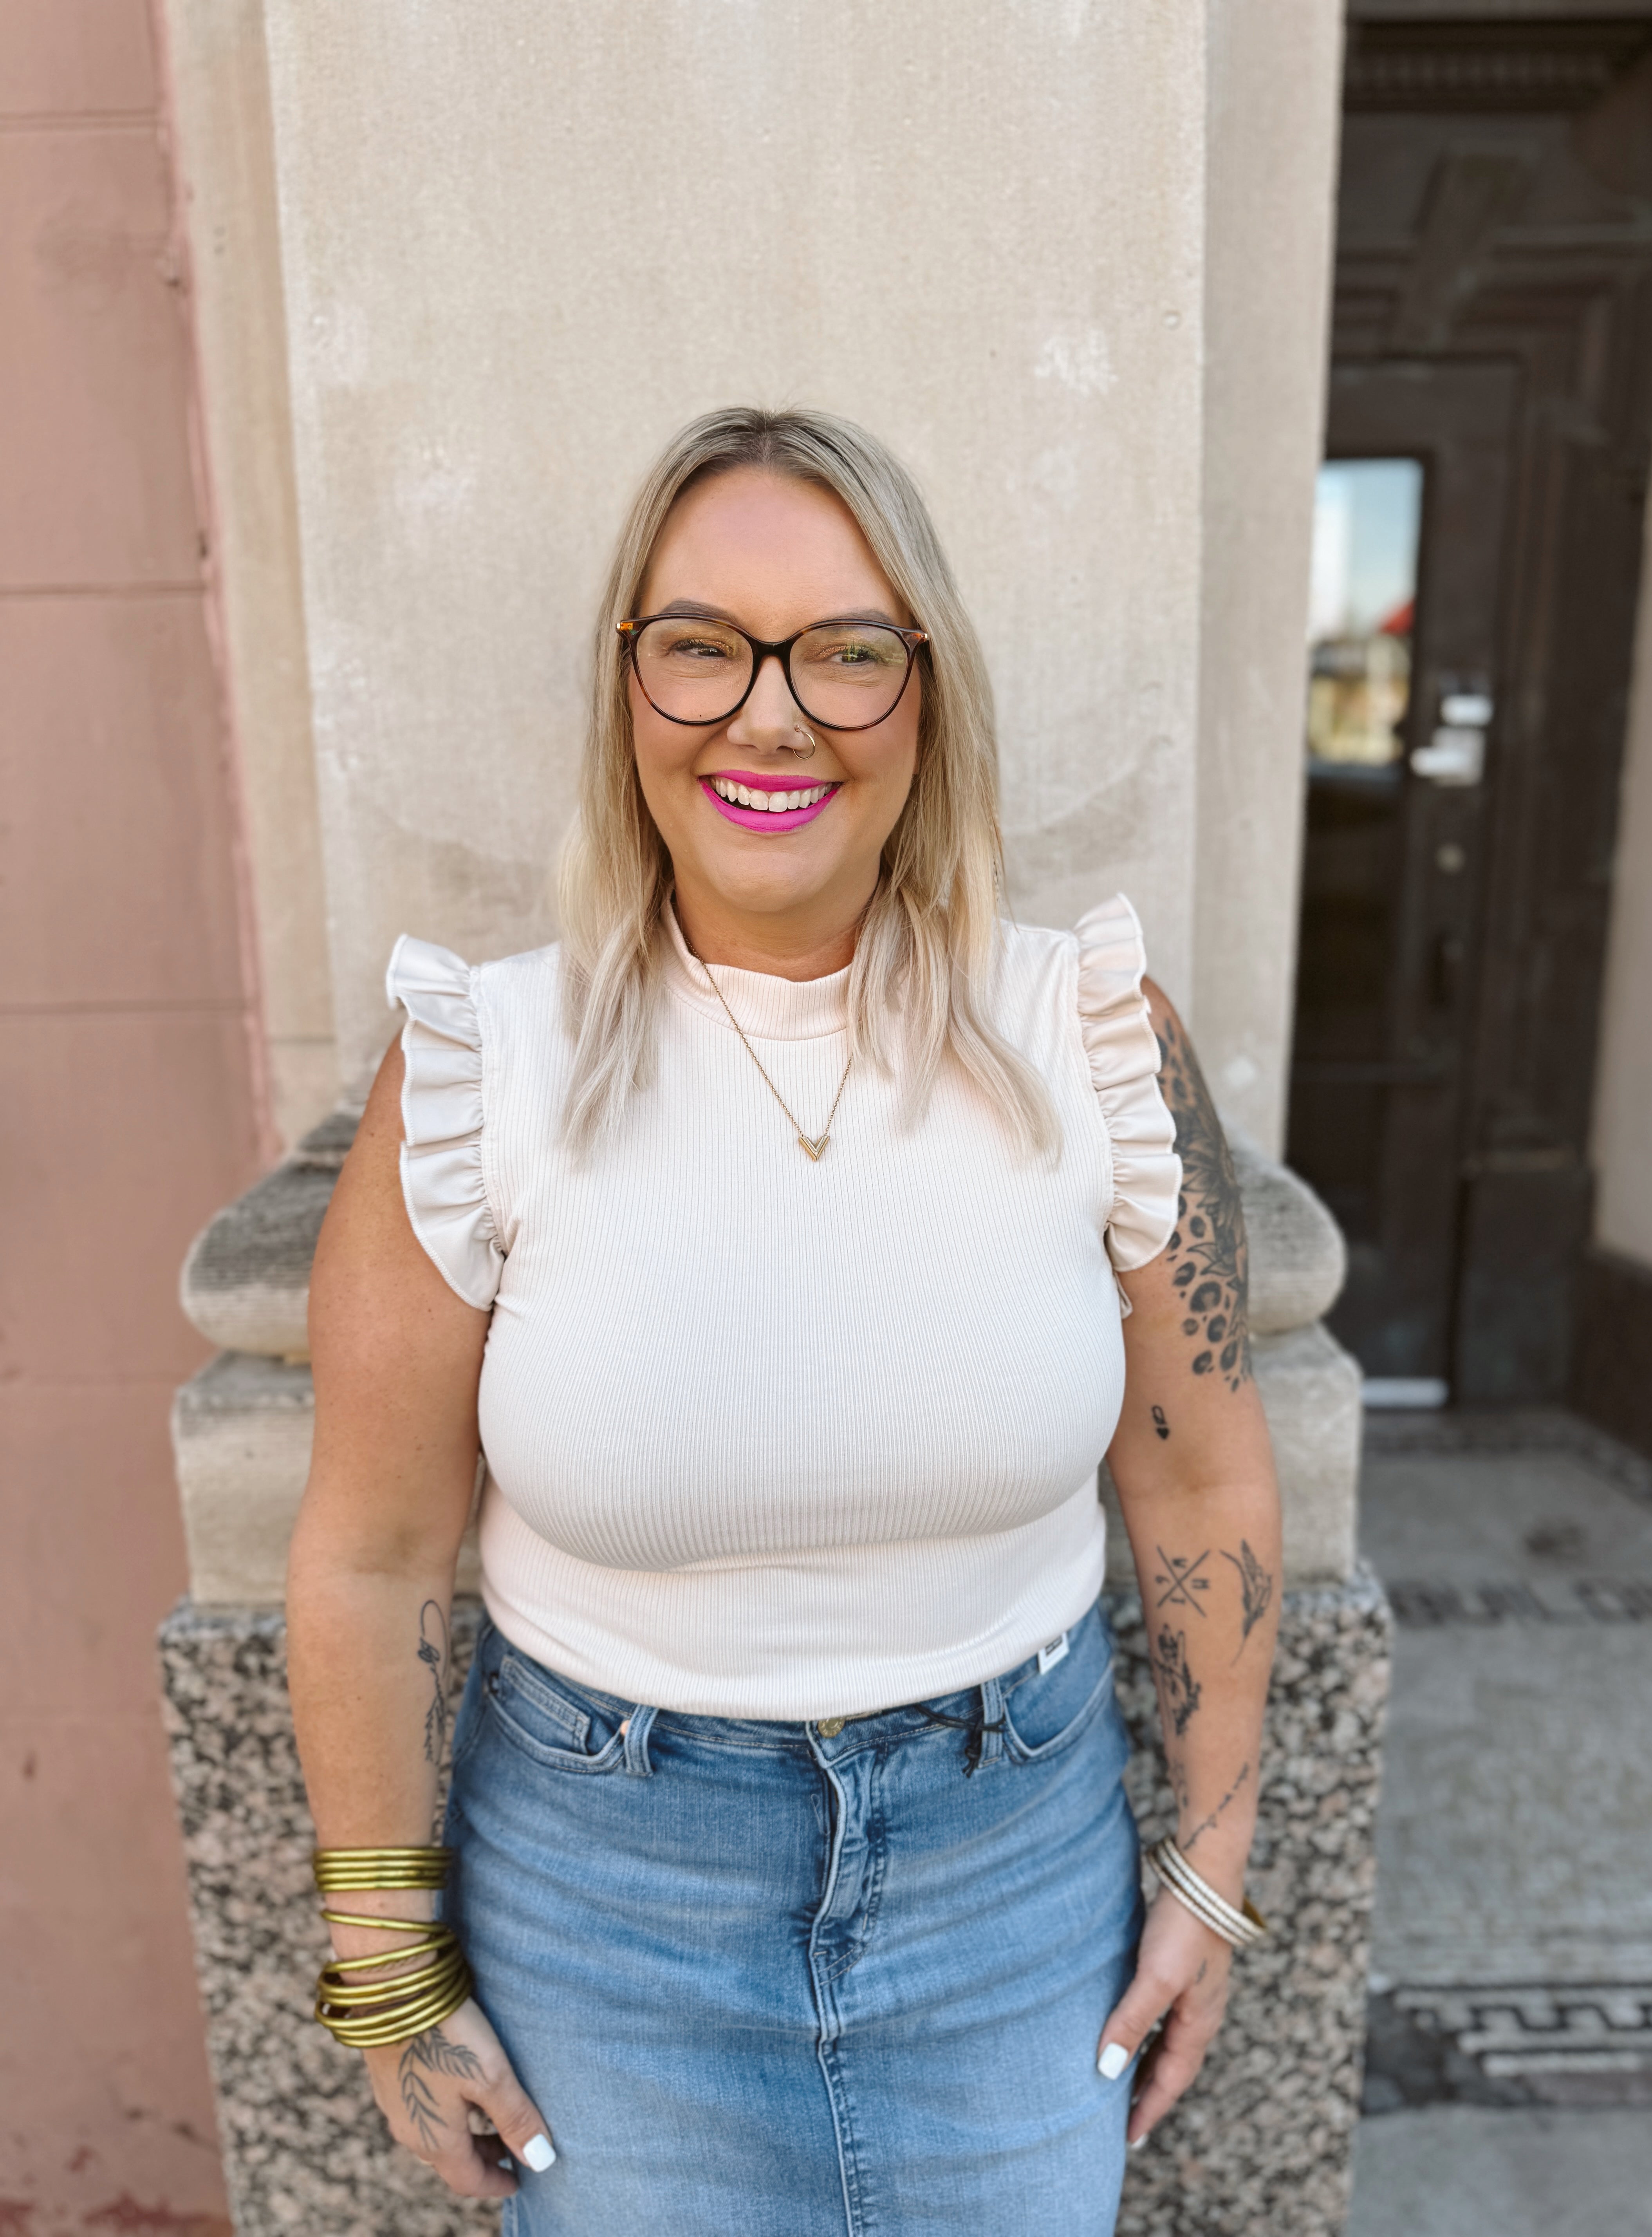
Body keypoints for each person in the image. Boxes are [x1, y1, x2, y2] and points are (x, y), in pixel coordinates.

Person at [287, 405, 1282, 2235]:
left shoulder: (1095, 1037)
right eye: (700, 647)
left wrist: (1212, 1863)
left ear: (928, 693)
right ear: (627, 691)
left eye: (845, 650)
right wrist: (388, 1974)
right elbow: (368, 1552)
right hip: (605, 1915)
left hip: (1018, 1891)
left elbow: (1205, 1481)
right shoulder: (481, 1069)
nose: (769, 712)